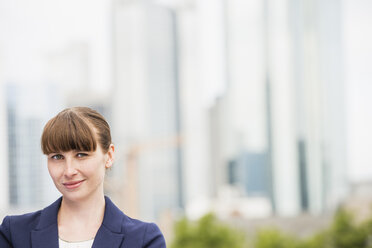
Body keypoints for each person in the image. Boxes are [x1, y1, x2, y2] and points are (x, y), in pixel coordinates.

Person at [0, 107, 166, 248]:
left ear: (108, 156)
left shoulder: (144, 240)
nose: (69, 170)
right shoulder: (14, 233)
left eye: (81, 155)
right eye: (57, 157)